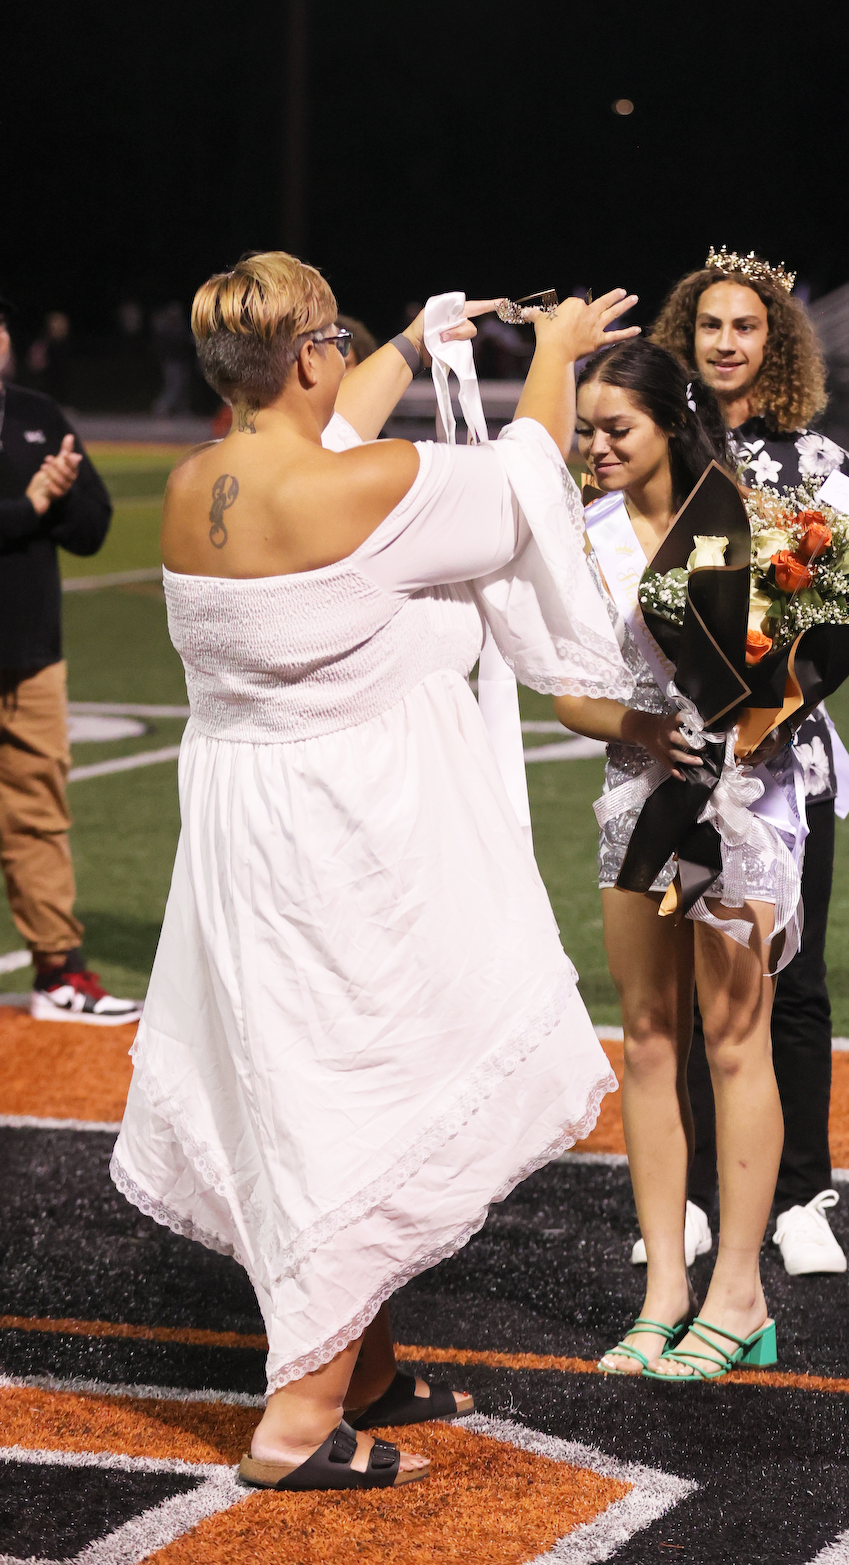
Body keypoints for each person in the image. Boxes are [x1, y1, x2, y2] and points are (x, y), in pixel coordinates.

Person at [110, 251, 639, 1490]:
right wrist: (553, 356)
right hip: (351, 835)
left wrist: (409, 340)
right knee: (357, 1090)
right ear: (304, 356)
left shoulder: (196, 483)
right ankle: (296, 1422)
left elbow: (320, 435)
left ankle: (365, 1369)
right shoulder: (370, 484)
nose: (347, 359)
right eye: (337, 340)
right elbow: (521, 483)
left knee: (308, 1079)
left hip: (248, 824)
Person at [556, 339, 800, 1382]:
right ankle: (664, 1290)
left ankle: (738, 1293)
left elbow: (793, 656)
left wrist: (757, 718)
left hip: (736, 804)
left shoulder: (740, 518)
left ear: (669, 420)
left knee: (734, 1038)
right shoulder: (585, 534)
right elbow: (567, 693)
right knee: (650, 1039)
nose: (597, 447)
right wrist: (647, 730)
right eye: (587, 430)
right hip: (641, 800)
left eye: (617, 428)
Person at [651, 249, 849, 1276]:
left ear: (774, 341)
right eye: (710, 326)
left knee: (794, 974)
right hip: (682, 759)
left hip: (784, 762)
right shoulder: (658, 449)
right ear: (684, 338)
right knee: (696, 976)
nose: (726, 343)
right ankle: (696, 1193)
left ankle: (801, 1196)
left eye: (745, 326)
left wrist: (784, 700)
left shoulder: (819, 461)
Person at [0, 293, 143, 1024]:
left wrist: (56, 498)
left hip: (30, 658)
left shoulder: (38, 415)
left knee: (39, 818)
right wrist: (28, 508)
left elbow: (93, 528)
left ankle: (58, 972)